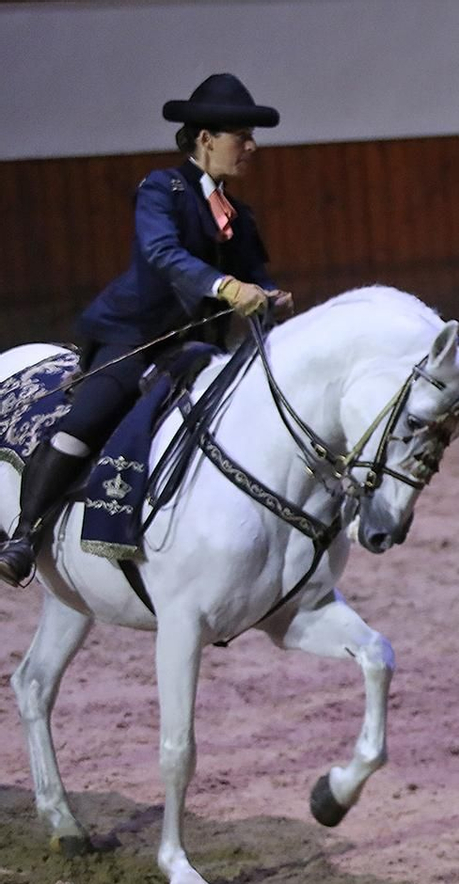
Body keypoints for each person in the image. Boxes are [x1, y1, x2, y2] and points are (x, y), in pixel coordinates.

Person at [0, 73, 287, 587]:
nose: (252, 146)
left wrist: (270, 295)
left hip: (200, 348)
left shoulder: (238, 215)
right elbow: (162, 253)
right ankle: (25, 534)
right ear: (206, 139)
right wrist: (227, 287)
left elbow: (254, 274)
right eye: (242, 136)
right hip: (135, 336)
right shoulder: (161, 190)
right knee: (87, 420)